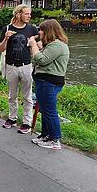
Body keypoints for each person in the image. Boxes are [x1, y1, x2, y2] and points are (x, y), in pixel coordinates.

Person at [0, 5, 38, 134]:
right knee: (12, 96)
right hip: (11, 66)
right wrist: (6, 38)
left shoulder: (32, 29)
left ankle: (27, 122)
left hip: (26, 66)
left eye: (30, 14)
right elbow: (0, 49)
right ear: (19, 14)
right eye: (26, 14)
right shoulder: (7, 29)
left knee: (27, 96)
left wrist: (34, 42)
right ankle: (12, 118)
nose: (29, 16)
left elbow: (40, 44)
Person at [29, 19, 70, 150]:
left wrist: (34, 46)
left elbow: (42, 60)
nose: (39, 32)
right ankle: (45, 135)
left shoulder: (57, 45)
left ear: (48, 31)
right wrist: (38, 48)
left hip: (49, 82)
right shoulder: (51, 45)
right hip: (44, 81)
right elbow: (37, 60)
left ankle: (55, 139)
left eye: (41, 30)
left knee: (50, 111)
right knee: (45, 110)